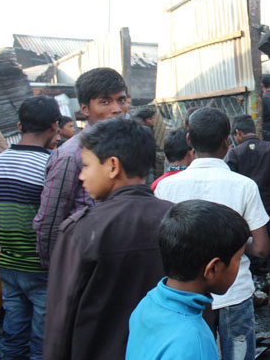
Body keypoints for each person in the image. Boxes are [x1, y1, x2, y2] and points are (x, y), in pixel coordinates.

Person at [43, 118, 171, 360]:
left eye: (87, 166)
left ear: (113, 166)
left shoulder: (80, 231)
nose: (81, 176)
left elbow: (60, 322)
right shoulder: (178, 219)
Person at [155, 107, 270, 360]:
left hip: (185, 297)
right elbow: (262, 248)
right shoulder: (244, 186)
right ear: (227, 141)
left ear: (189, 141)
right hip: (234, 293)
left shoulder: (165, 187)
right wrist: (235, 242)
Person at [0, 96, 61, 360]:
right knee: (41, 340)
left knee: (14, 335)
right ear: (55, 126)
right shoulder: (51, 165)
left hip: (8, 263)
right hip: (40, 266)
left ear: (19, 125)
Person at [126, 200, 250, 360]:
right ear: (212, 269)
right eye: (239, 258)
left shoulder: (148, 303)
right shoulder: (194, 343)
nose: (239, 265)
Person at [33, 67, 129, 267]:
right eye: (105, 101)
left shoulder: (131, 146)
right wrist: (57, 270)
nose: (117, 109)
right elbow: (50, 218)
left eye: (121, 100)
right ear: (85, 109)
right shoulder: (71, 154)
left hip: (124, 258)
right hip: (87, 261)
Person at [226, 114, 270, 311]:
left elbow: (231, 180)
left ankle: (249, 294)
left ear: (237, 133)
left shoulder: (234, 153)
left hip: (243, 214)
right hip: (269, 209)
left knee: (244, 250)